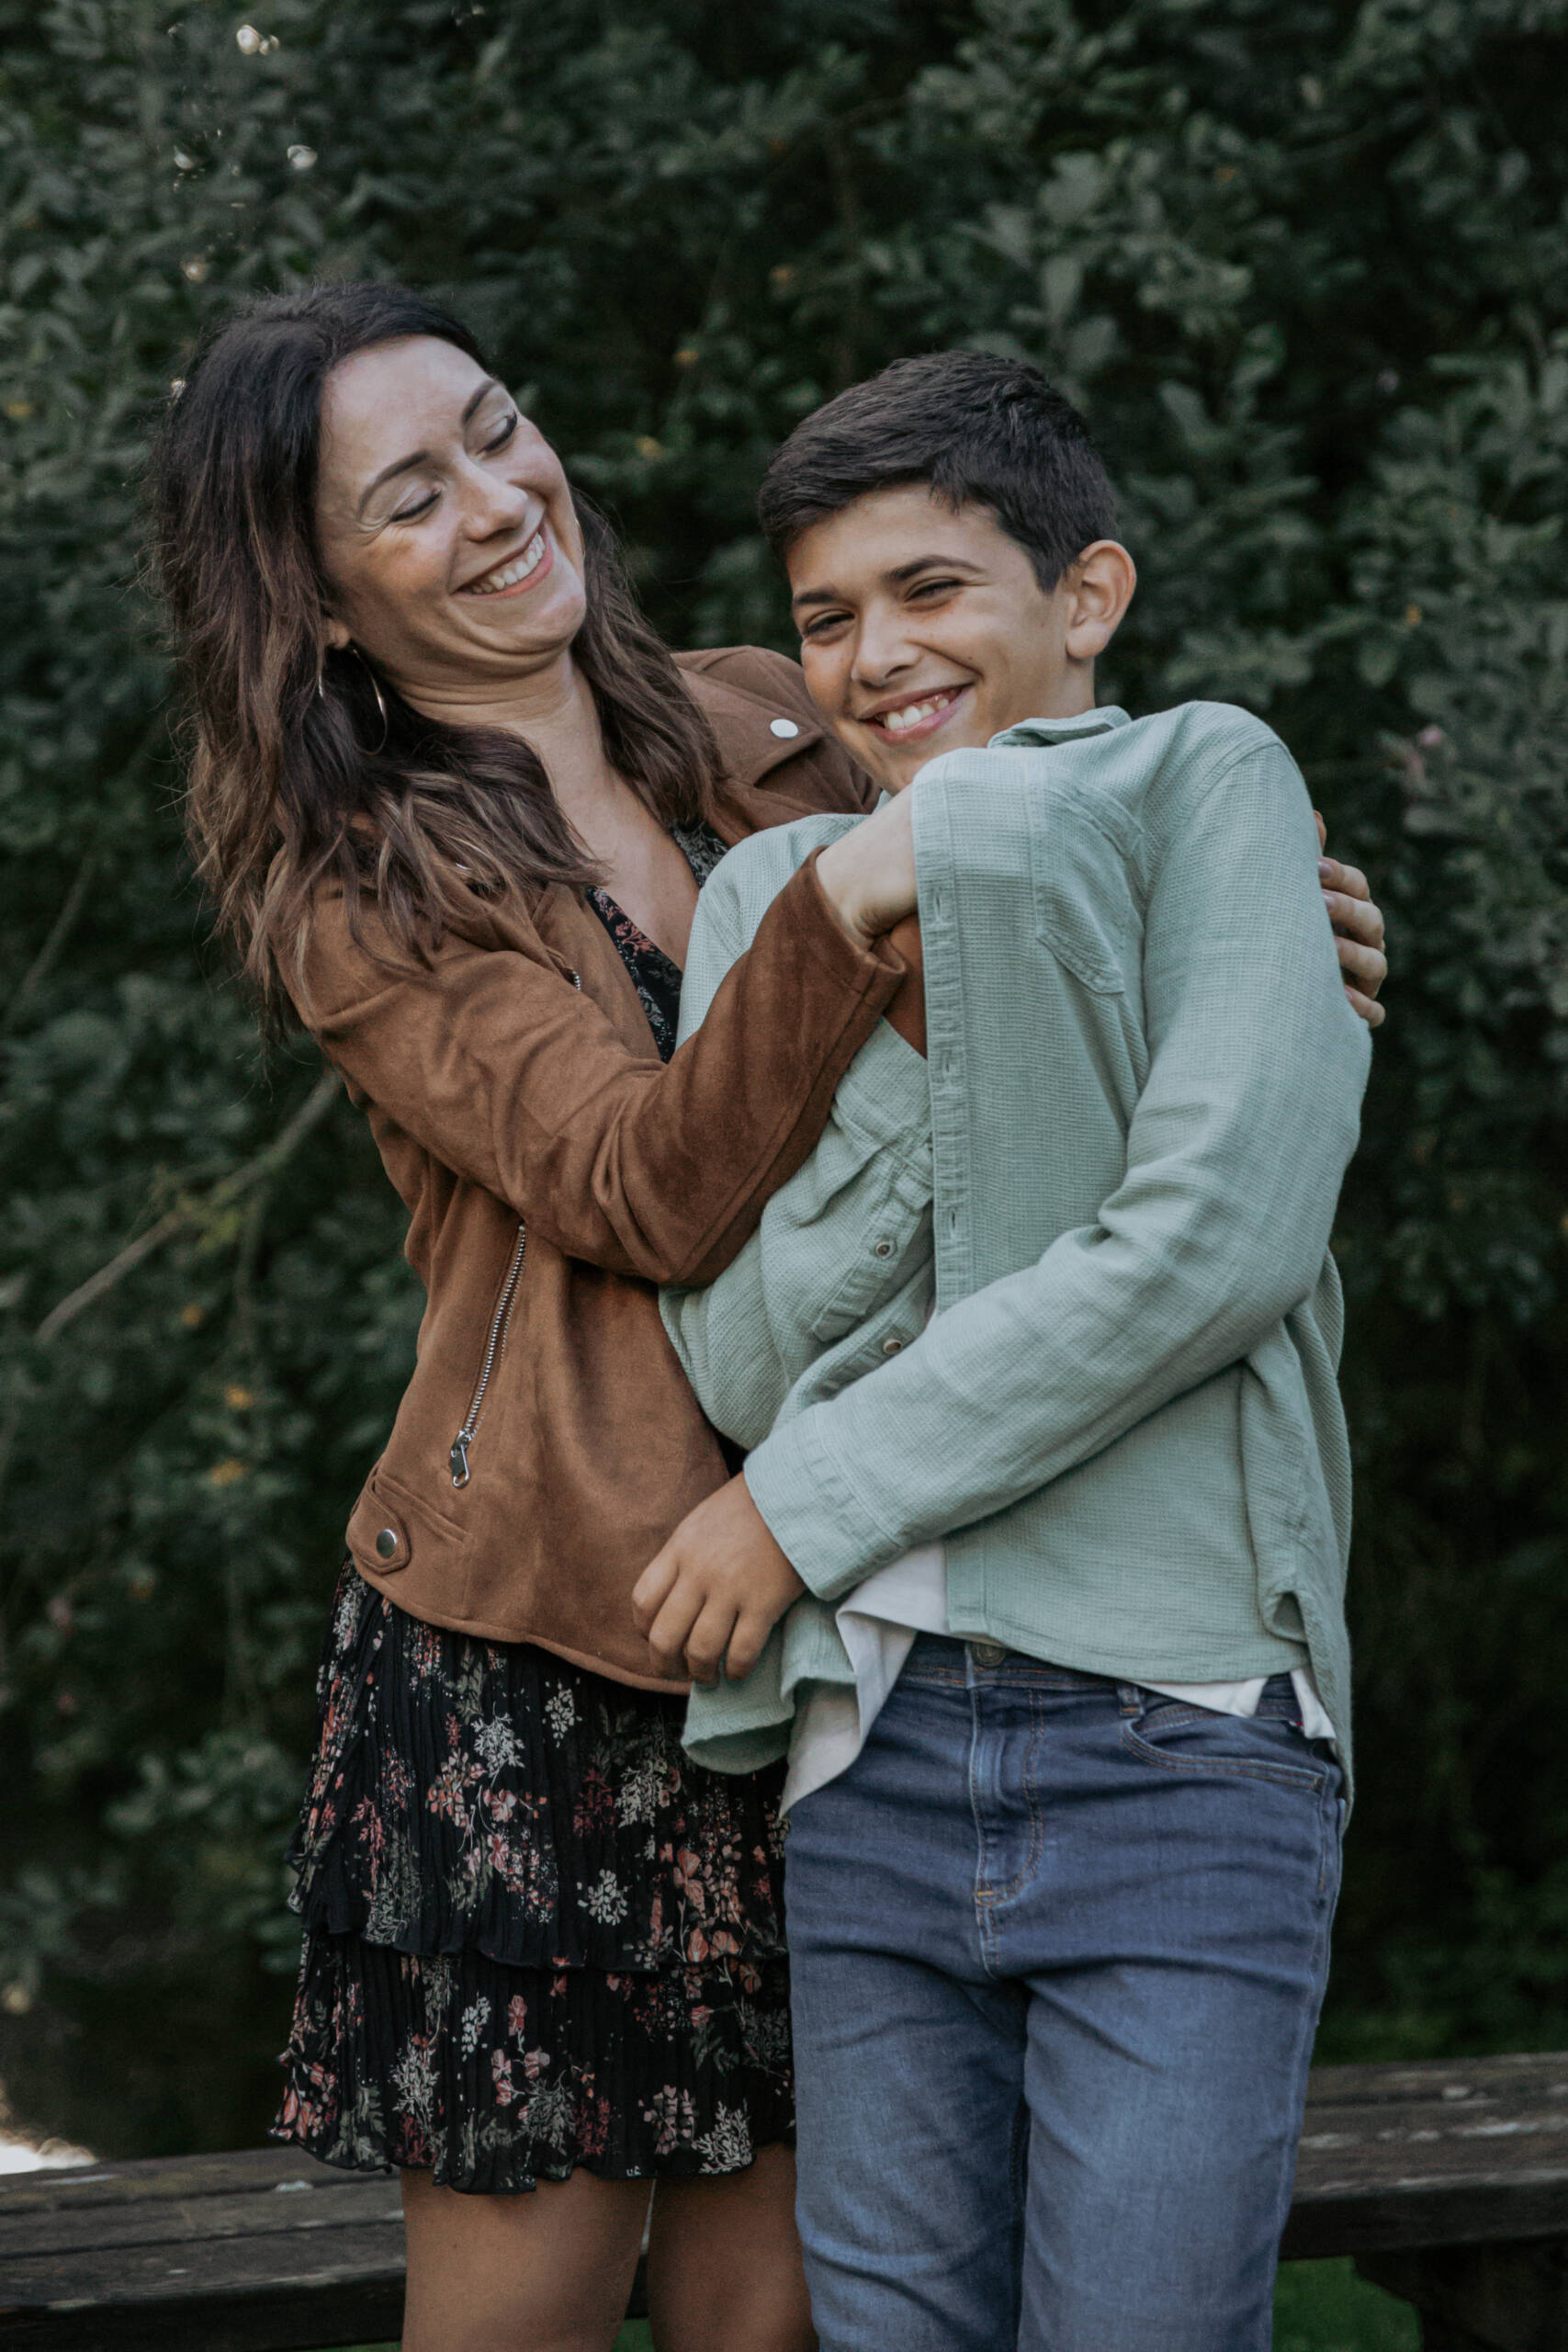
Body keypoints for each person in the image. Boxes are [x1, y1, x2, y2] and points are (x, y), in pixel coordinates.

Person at [149, 280, 935, 2352]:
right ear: (319, 603)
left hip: (834, 1612)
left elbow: (1043, 932)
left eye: (496, 427)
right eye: (410, 494)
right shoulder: (363, 890)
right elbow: (635, 1181)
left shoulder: (774, 714)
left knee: (778, 2322)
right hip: (546, 1667)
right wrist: (861, 902)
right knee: (527, 2325)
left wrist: (1252, 901)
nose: (501, 496)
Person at [637, 351, 1382, 2349]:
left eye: (929, 586)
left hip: (1176, 1719)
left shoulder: (1206, 781)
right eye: (823, 613)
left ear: (1086, 592)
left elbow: (1210, 1244)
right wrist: (886, 1004)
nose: (873, 651)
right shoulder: (764, 897)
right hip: (862, 1750)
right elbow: (730, 1341)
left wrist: (797, 1502)